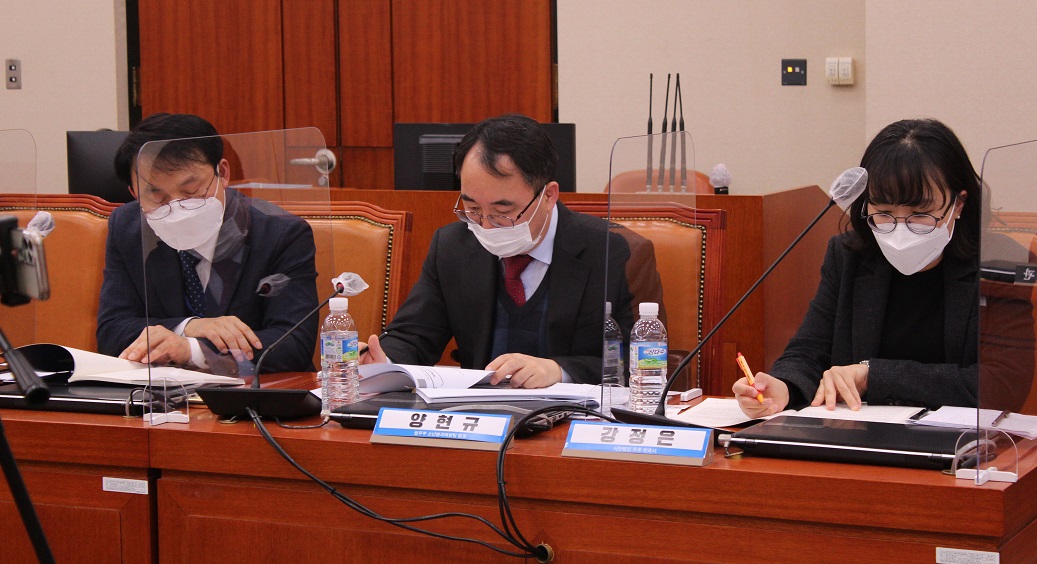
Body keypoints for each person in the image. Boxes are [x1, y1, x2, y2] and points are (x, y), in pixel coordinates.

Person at [735, 118, 1033, 416]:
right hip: (861, 432)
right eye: (884, 212)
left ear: (958, 204)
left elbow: (1003, 384)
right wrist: (784, 387)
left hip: (961, 438)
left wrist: (874, 376)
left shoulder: (1000, 264)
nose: (900, 228)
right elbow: (809, 350)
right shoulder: (849, 256)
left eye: (920, 212)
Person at [362, 114, 662, 387]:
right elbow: (413, 335)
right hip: (479, 415)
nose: (486, 226)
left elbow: (645, 362)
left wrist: (560, 370)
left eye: (503, 212)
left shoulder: (615, 253)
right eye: (472, 208)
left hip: (575, 419)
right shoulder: (454, 246)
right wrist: (381, 362)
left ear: (548, 196)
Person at [96, 113, 320, 373]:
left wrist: (193, 350)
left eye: (192, 191)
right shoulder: (127, 227)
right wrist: (189, 326)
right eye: (157, 196)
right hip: (159, 392)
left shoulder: (281, 233)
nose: (177, 207)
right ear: (134, 193)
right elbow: (111, 331)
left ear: (222, 173)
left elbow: (293, 344)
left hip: (253, 392)